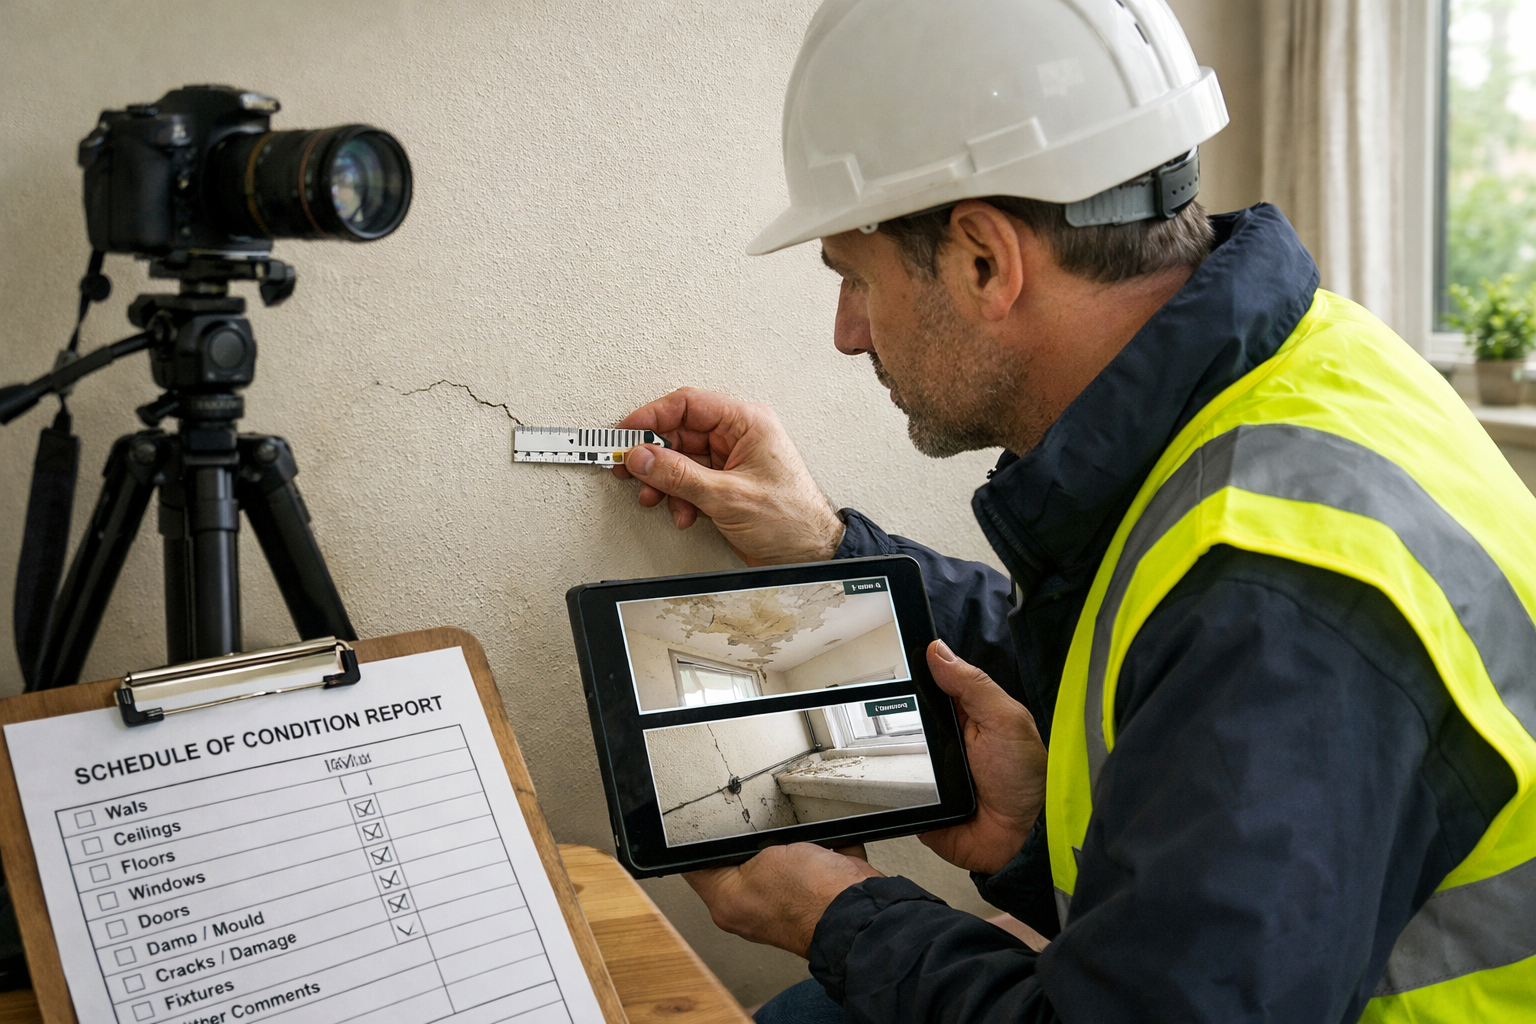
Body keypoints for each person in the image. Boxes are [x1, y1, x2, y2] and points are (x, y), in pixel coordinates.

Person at [610, 1, 1536, 1020]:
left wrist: (837, 915)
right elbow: (1146, 684)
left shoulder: (1279, 605)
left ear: (983, 260)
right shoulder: (1297, 374)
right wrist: (831, 544)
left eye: (854, 279)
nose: (846, 333)